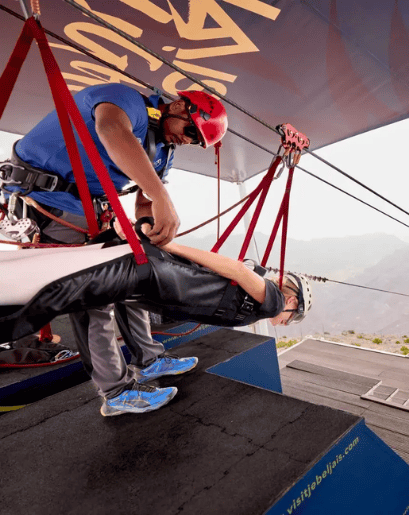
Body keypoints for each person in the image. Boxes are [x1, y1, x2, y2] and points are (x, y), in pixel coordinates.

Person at [0, 83, 228, 416]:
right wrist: (163, 200)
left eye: (196, 141)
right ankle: (116, 391)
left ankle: (148, 359)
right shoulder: (126, 101)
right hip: (48, 202)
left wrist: (149, 227)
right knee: (95, 297)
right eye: (191, 131)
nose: (188, 140)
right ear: (179, 107)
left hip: (90, 211)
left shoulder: (162, 151)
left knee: (133, 276)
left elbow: (145, 202)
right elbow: (111, 130)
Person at [0, 224, 314, 414]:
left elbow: (234, 271)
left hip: (162, 284)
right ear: (289, 300)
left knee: (122, 300)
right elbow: (237, 270)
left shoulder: (260, 300)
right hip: (162, 279)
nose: (285, 321)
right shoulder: (272, 302)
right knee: (94, 304)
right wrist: (172, 246)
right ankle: (117, 392)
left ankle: (147, 360)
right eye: (292, 316)